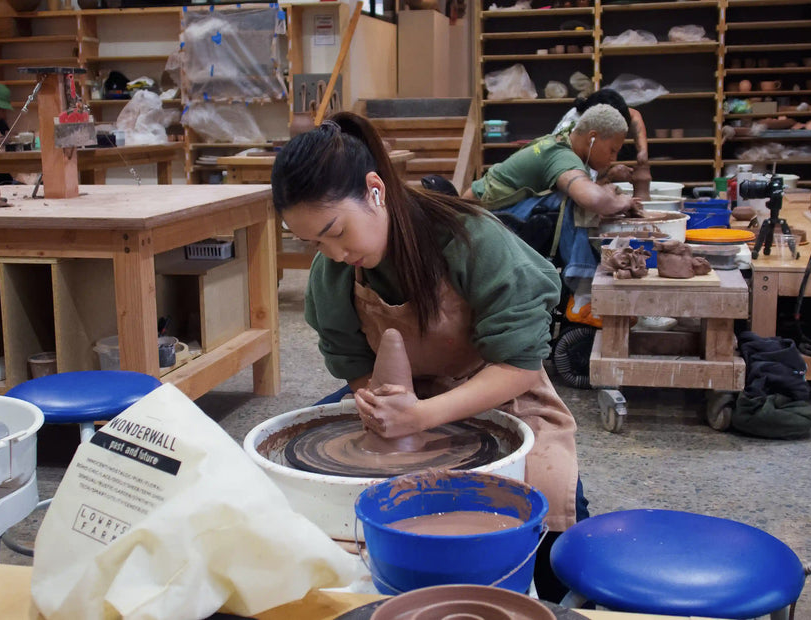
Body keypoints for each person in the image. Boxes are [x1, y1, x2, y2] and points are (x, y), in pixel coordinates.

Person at [271, 111, 586, 602]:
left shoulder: (470, 238)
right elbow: (351, 360)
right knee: (301, 480)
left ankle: (543, 596)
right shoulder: (333, 272)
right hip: (395, 395)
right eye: (312, 241)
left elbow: (519, 366)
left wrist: (422, 416)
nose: (331, 252)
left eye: (336, 231)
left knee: (551, 495)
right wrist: (376, 404)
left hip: (494, 386)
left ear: (374, 190)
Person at [463, 104, 640, 323]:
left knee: (585, 198)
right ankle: (583, 295)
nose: (614, 157)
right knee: (577, 202)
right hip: (483, 215)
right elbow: (592, 198)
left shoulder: (562, 140)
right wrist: (622, 201)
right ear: (592, 137)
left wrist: (607, 186)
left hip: (488, 207)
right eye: (612, 150)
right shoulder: (562, 156)